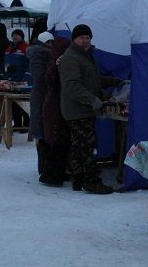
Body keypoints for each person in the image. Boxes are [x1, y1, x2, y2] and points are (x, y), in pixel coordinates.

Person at [58, 24, 114, 194]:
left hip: (82, 108)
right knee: (88, 146)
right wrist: (93, 100)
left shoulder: (86, 56)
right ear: (74, 39)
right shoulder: (70, 58)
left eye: (87, 38)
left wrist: (112, 81)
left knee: (79, 146)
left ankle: (78, 179)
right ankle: (92, 181)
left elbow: (91, 79)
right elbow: (72, 86)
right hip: (77, 109)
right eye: (81, 38)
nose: (85, 41)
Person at [39, 37, 72, 187]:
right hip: (55, 106)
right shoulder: (56, 63)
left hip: (58, 104)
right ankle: (49, 174)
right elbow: (51, 80)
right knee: (58, 142)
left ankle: (56, 172)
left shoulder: (58, 60)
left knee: (61, 141)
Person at [27, 31, 54, 175]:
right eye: (48, 43)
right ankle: (44, 169)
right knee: (43, 134)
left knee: (43, 133)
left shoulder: (39, 54)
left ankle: (44, 168)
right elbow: (41, 78)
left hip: (41, 97)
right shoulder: (40, 55)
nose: (50, 45)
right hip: (42, 97)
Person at [5, 28, 30, 132]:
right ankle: (17, 124)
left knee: (24, 104)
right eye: (14, 35)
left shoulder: (26, 48)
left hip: (21, 80)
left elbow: (28, 64)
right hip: (11, 79)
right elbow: (5, 62)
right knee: (13, 103)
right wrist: (5, 73)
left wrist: (26, 77)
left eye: (17, 35)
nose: (15, 37)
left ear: (22, 37)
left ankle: (26, 125)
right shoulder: (9, 48)